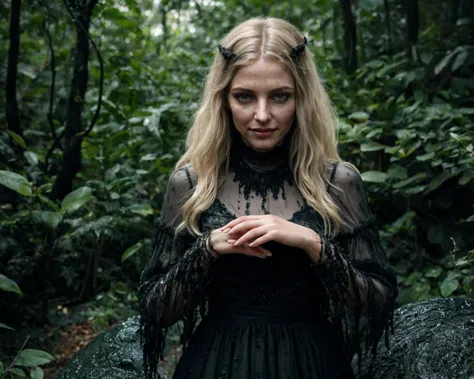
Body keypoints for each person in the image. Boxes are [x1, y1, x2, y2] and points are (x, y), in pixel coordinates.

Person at [138, 17, 398, 379]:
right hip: (216, 365)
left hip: (311, 363)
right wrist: (207, 249)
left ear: (301, 98)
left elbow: (380, 300)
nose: (262, 115)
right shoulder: (191, 185)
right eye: (245, 96)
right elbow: (153, 309)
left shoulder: (338, 182)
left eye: (280, 96)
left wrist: (314, 244)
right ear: (224, 100)